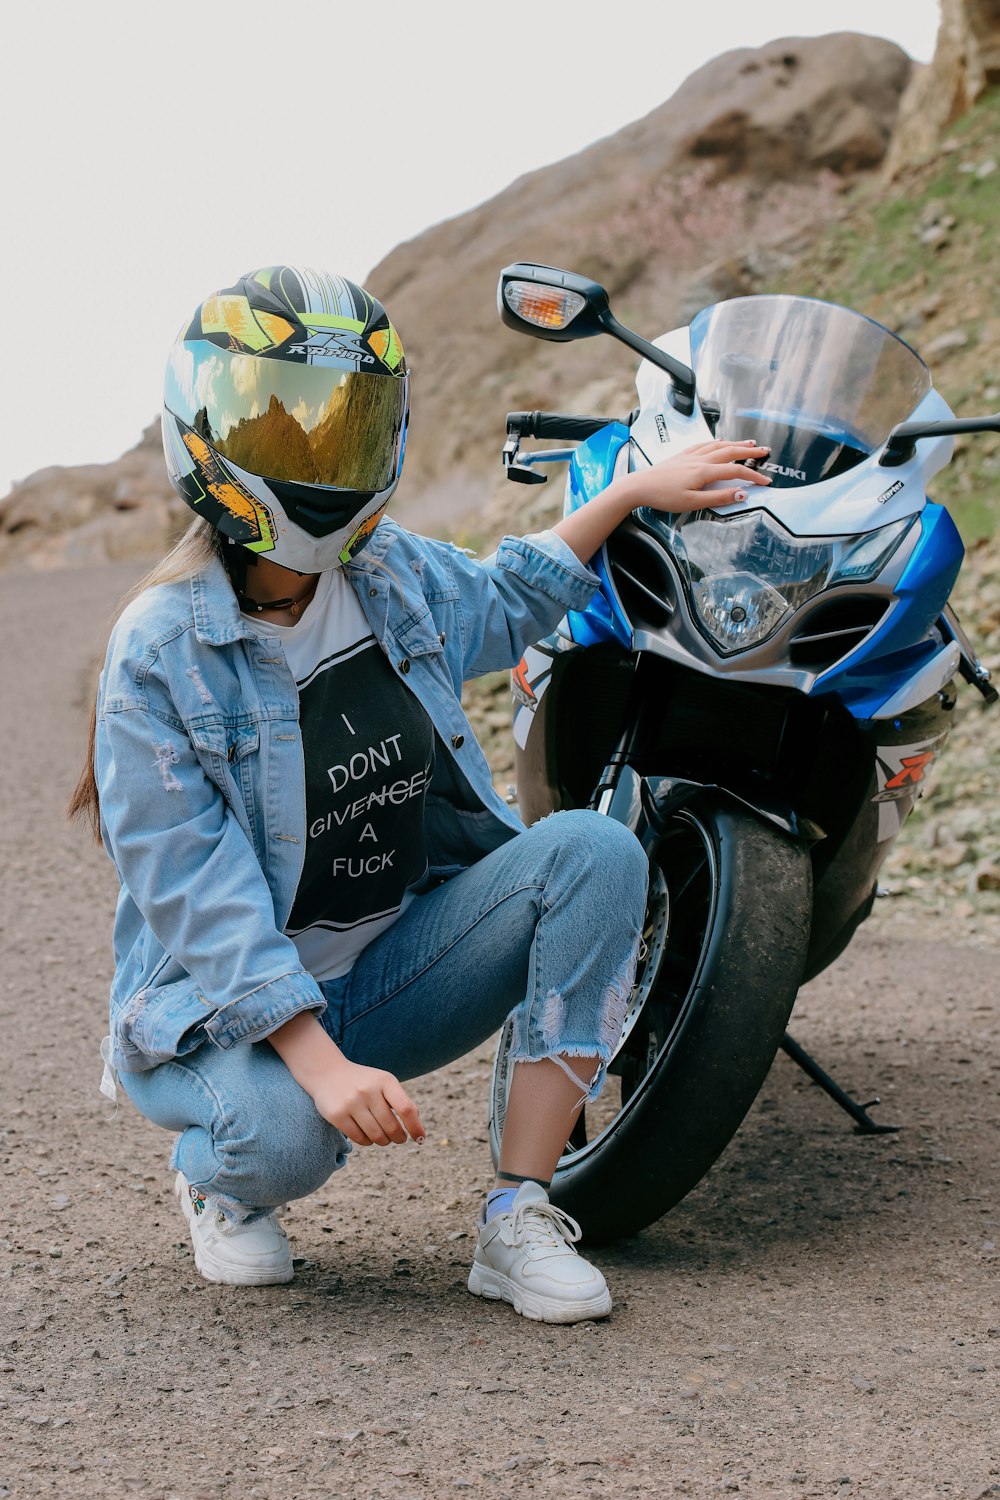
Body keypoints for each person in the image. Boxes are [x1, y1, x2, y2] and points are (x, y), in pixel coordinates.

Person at [72, 265, 771, 1324]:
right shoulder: (160, 652)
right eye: (293, 435)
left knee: (594, 852)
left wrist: (628, 492)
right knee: (288, 1138)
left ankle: (515, 1215)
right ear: (211, 441)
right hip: (225, 1021)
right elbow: (194, 893)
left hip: (391, 976)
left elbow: (503, 600)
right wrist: (316, 1065)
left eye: (348, 432)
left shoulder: (387, 573)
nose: (328, 463)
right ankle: (219, 1179)